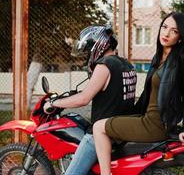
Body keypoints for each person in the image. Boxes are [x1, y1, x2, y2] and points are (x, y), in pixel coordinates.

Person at [93, 12, 184, 175]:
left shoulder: (181, 61)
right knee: (108, 124)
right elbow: (147, 94)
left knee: (98, 127)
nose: (166, 33)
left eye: (174, 31)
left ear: (180, 38)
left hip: (155, 125)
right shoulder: (159, 58)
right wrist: (128, 114)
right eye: (164, 27)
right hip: (148, 118)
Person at [43, 25, 137, 175]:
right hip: (120, 130)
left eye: (88, 51)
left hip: (101, 135)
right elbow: (111, 91)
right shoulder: (126, 65)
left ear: (97, 46)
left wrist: (53, 103)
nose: (87, 56)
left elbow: (83, 99)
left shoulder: (104, 66)